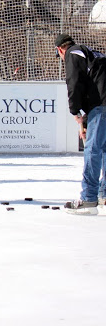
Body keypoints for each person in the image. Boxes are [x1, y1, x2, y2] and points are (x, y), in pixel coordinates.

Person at [55, 33, 106, 214]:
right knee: (104, 149)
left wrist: (75, 110)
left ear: (60, 49)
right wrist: (85, 119)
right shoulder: (93, 53)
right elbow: (93, 81)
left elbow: (74, 82)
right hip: (101, 105)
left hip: (101, 105)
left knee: (92, 149)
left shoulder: (73, 53)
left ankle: (89, 199)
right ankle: (104, 195)